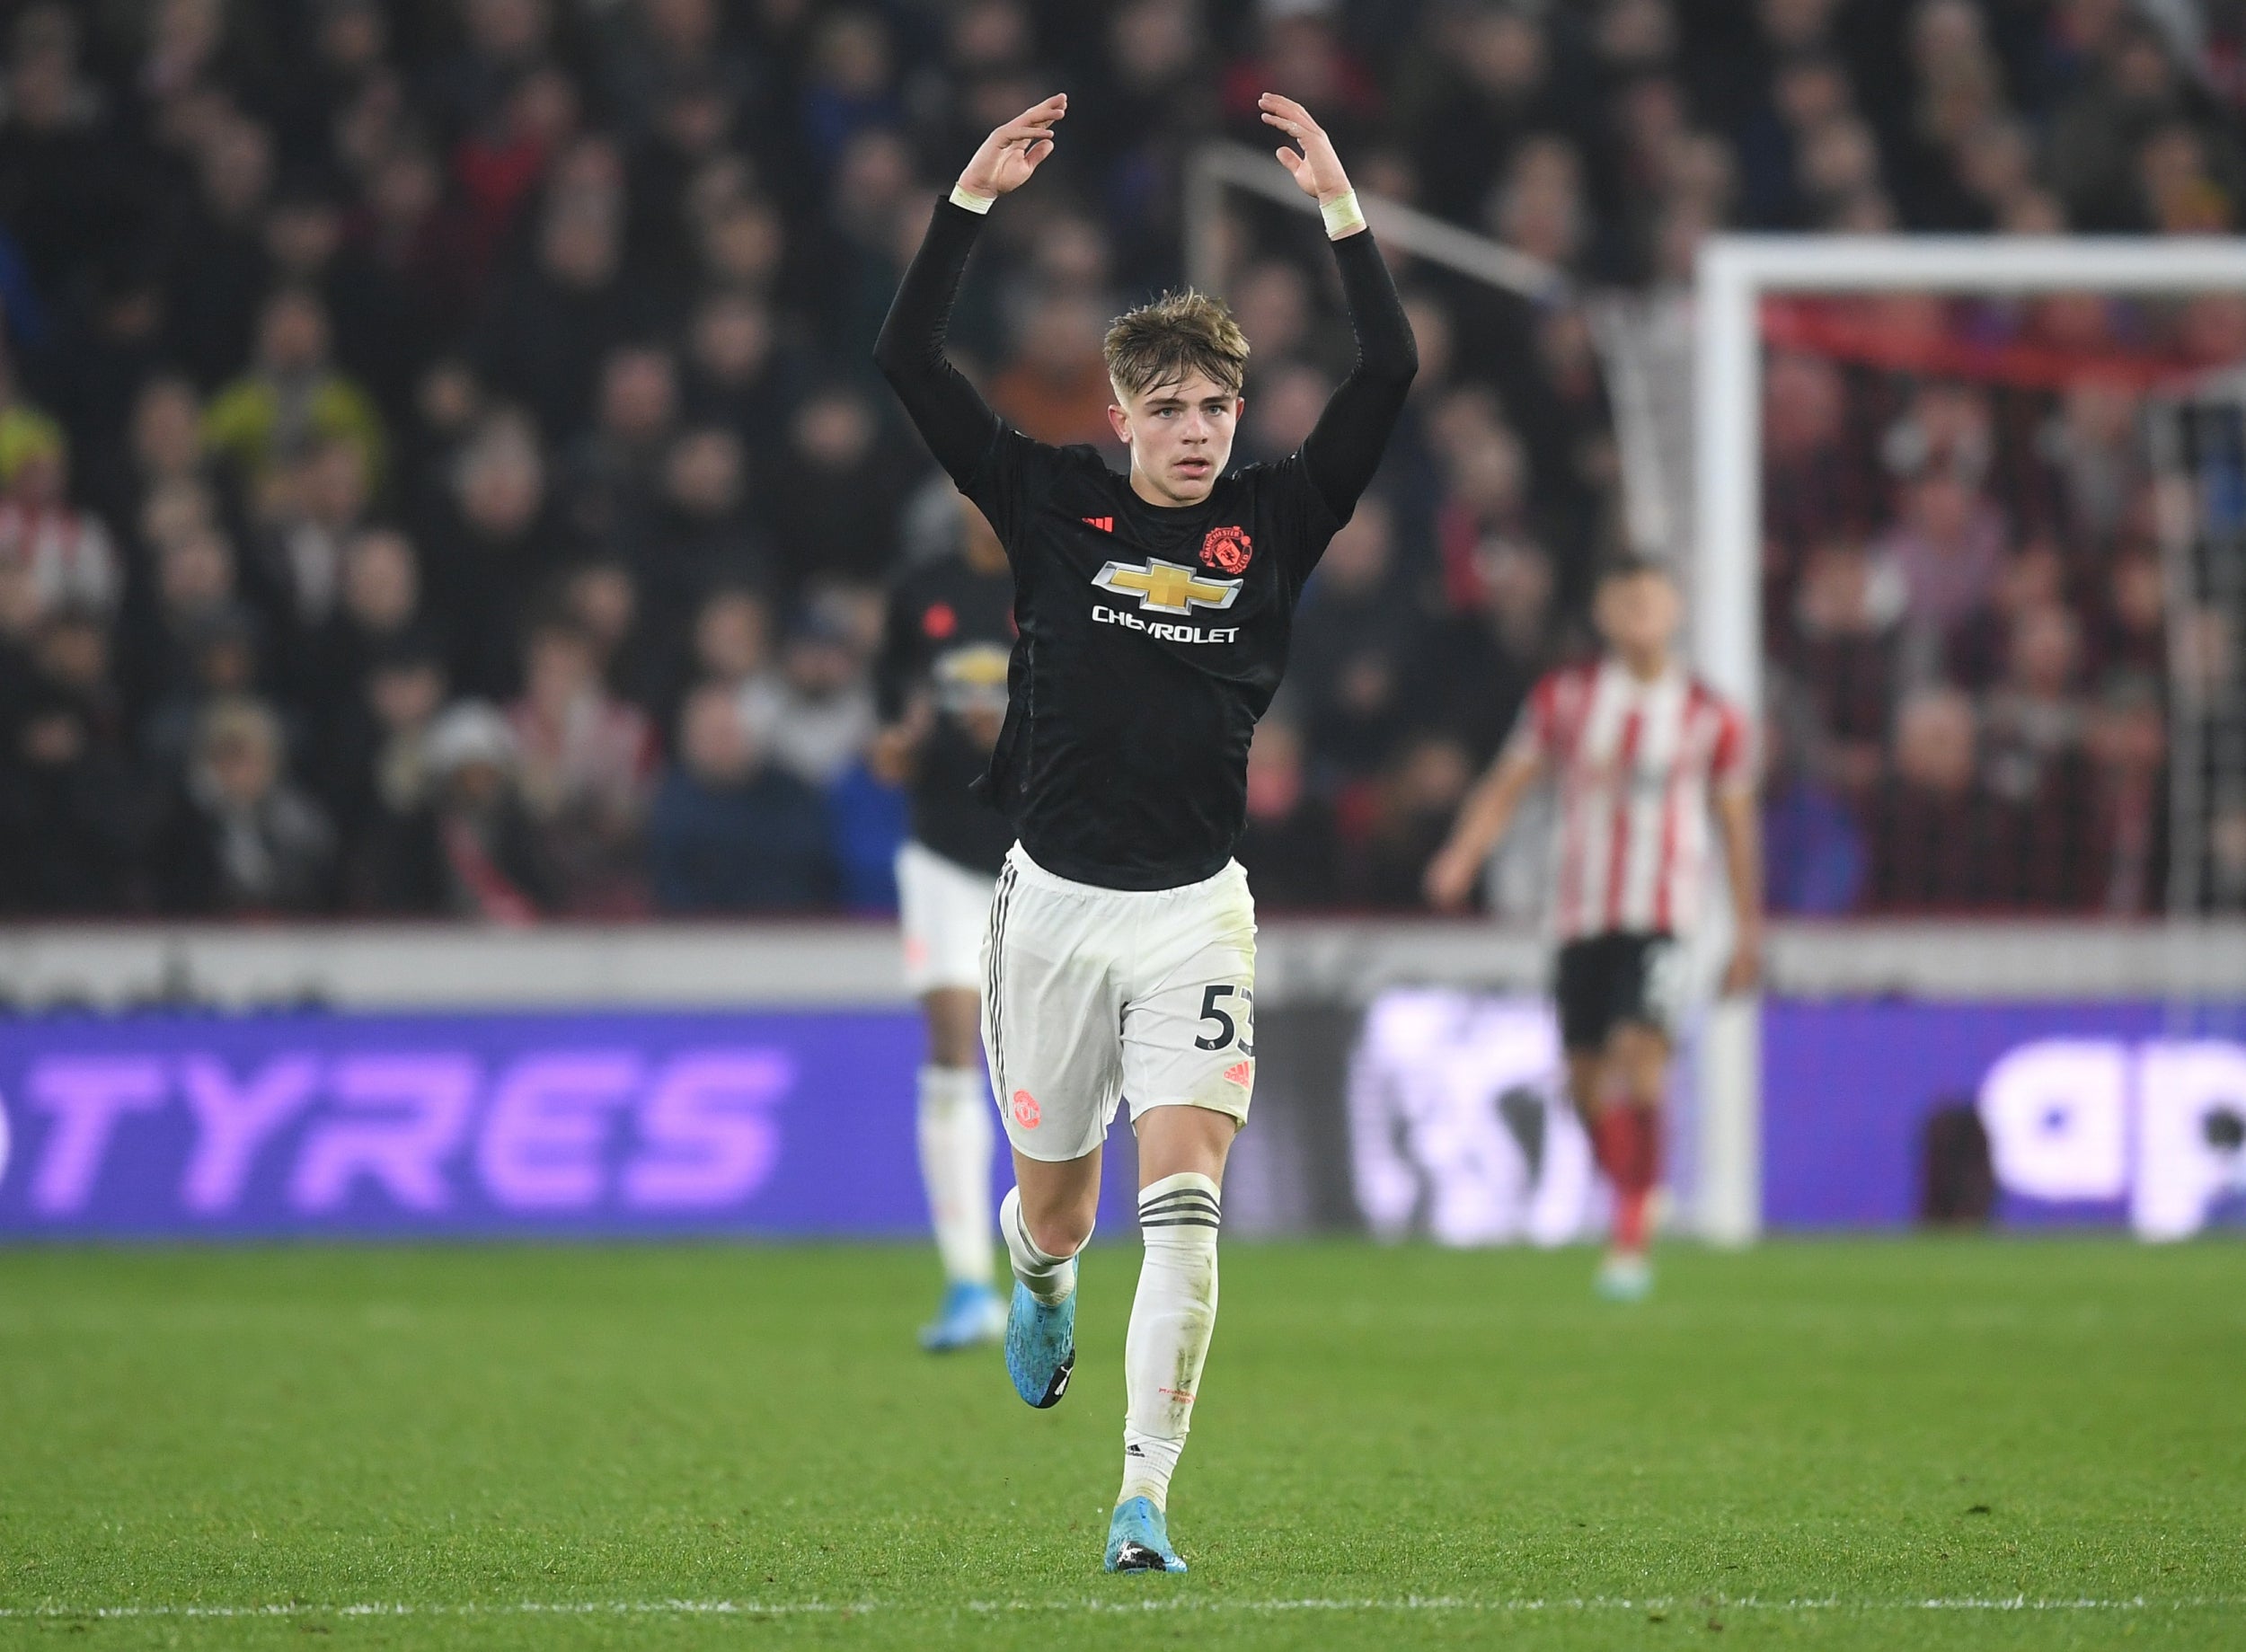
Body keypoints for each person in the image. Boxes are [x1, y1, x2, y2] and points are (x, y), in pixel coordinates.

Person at [875, 91, 1413, 1573]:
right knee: (1061, 1207)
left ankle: (1141, 1499)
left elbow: (1391, 366)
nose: (1195, 430)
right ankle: (1035, 1265)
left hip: (1194, 913)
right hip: (1048, 908)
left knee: (1185, 1206)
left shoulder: (1275, 524)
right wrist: (967, 201)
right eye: (1168, 407)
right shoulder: (1045, 502)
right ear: (1117, 416)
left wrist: (1343, 215)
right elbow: (906, 357)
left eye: (1218, 407)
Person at [1425, 556, 1763, 1302]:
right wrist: (1462, 853)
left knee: (1637, 1059)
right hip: (1580, 913)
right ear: (1606, 614)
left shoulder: (1711, 714)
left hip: (1668, 914)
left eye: (1652, 600)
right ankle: (1635, 1186)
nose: (1640, 614)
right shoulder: (1565, 699)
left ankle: (1630, 1235)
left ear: (1673, 611)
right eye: (1625, 600)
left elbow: (1737, 826)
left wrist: (1747, 931)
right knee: (1583, 1087)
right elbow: (1508, 782)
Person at [871, 491, 1019, 1352]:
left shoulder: (1066, 582)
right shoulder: (918, 591)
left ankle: (1044, 1272)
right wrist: (898, 741)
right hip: (942, 849)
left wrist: (1016, 725)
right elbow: (891, 702)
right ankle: (968, 1280)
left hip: (1040, 854)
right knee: (953, 1048)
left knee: (1035, 1063)